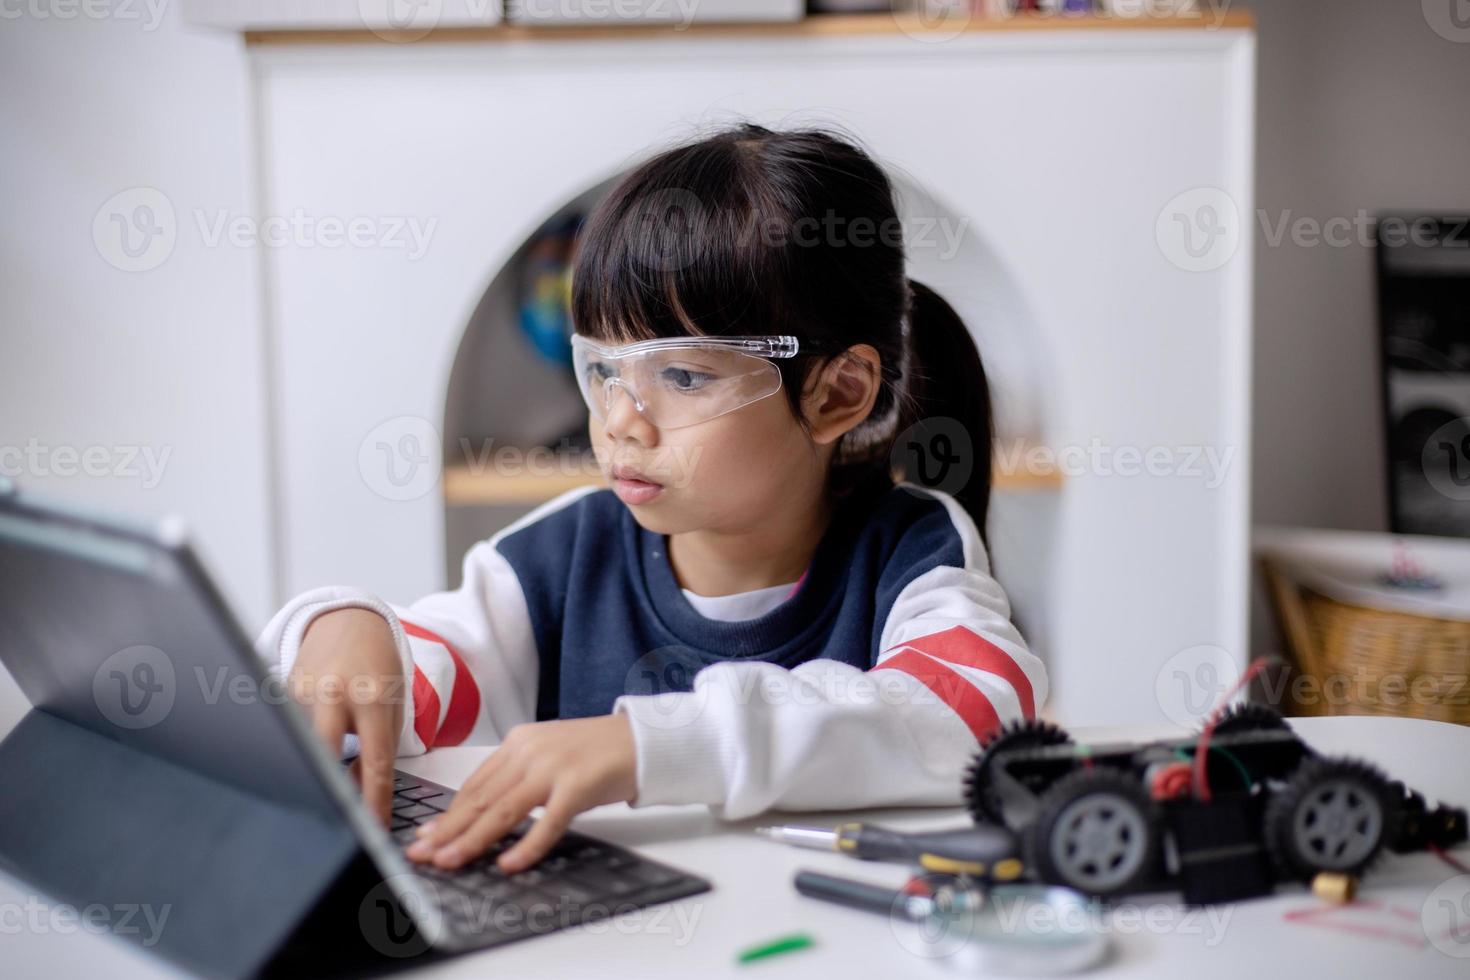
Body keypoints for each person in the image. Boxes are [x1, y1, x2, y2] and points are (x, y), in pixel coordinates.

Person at [256, 121, 1047, 877]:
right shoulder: (562, 556)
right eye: (603, 370)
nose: (620, 423)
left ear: (837, 394)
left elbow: (976, 710)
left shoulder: (908, 547)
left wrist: (650, 746)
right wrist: (347, 629)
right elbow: (427, 674)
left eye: (682, 375)